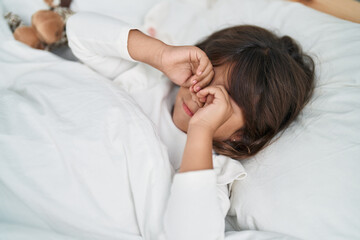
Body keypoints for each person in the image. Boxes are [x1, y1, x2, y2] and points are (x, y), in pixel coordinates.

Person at [67, 12, 314, 239]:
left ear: (243, 135)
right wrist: (160, 54)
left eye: (223, 98)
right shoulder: (146, 80)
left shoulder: (213, 173)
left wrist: (201, 129)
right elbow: (76, 31)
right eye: (206, 74)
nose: (200, 93)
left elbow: (188, 234)